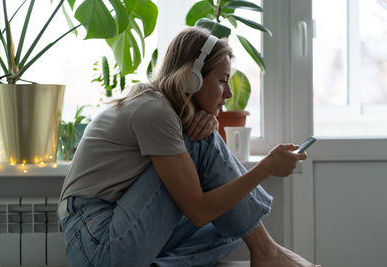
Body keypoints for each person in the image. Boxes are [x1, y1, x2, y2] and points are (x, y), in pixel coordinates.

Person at [58, 27, 321, 267]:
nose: (228, 94)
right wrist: (266, 168)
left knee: (236, 225)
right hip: (96, 242)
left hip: (110, 234)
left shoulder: (164, 111)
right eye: (222, 80)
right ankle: (269, 253)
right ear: (191, 79)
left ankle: (264, 251)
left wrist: (204, 120)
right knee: (201, 145)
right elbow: (197, 210)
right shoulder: (155, 111)